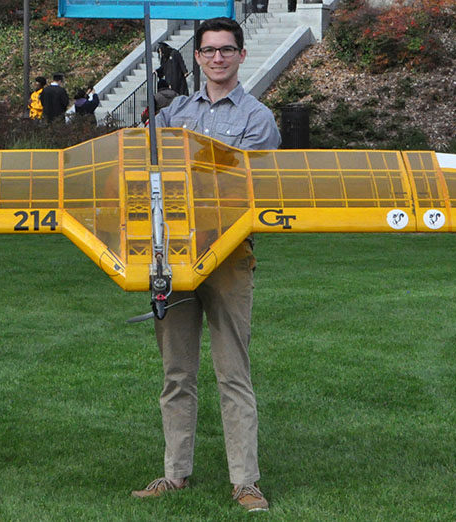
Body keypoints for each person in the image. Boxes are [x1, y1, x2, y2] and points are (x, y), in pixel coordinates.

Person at [131, 16, 280, 513]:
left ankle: (246, 481)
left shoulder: (259, 119)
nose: (218, 57)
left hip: (230, 256)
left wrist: (192, 173)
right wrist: (148, 135)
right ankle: (174, 474)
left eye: (226, 50)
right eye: (209, 50)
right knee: (177, 374)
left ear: (240, 56)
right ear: (197, 57)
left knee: (233, 371)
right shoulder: (173, 114)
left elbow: (246, 188)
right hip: (174, 255)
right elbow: (144, 167)